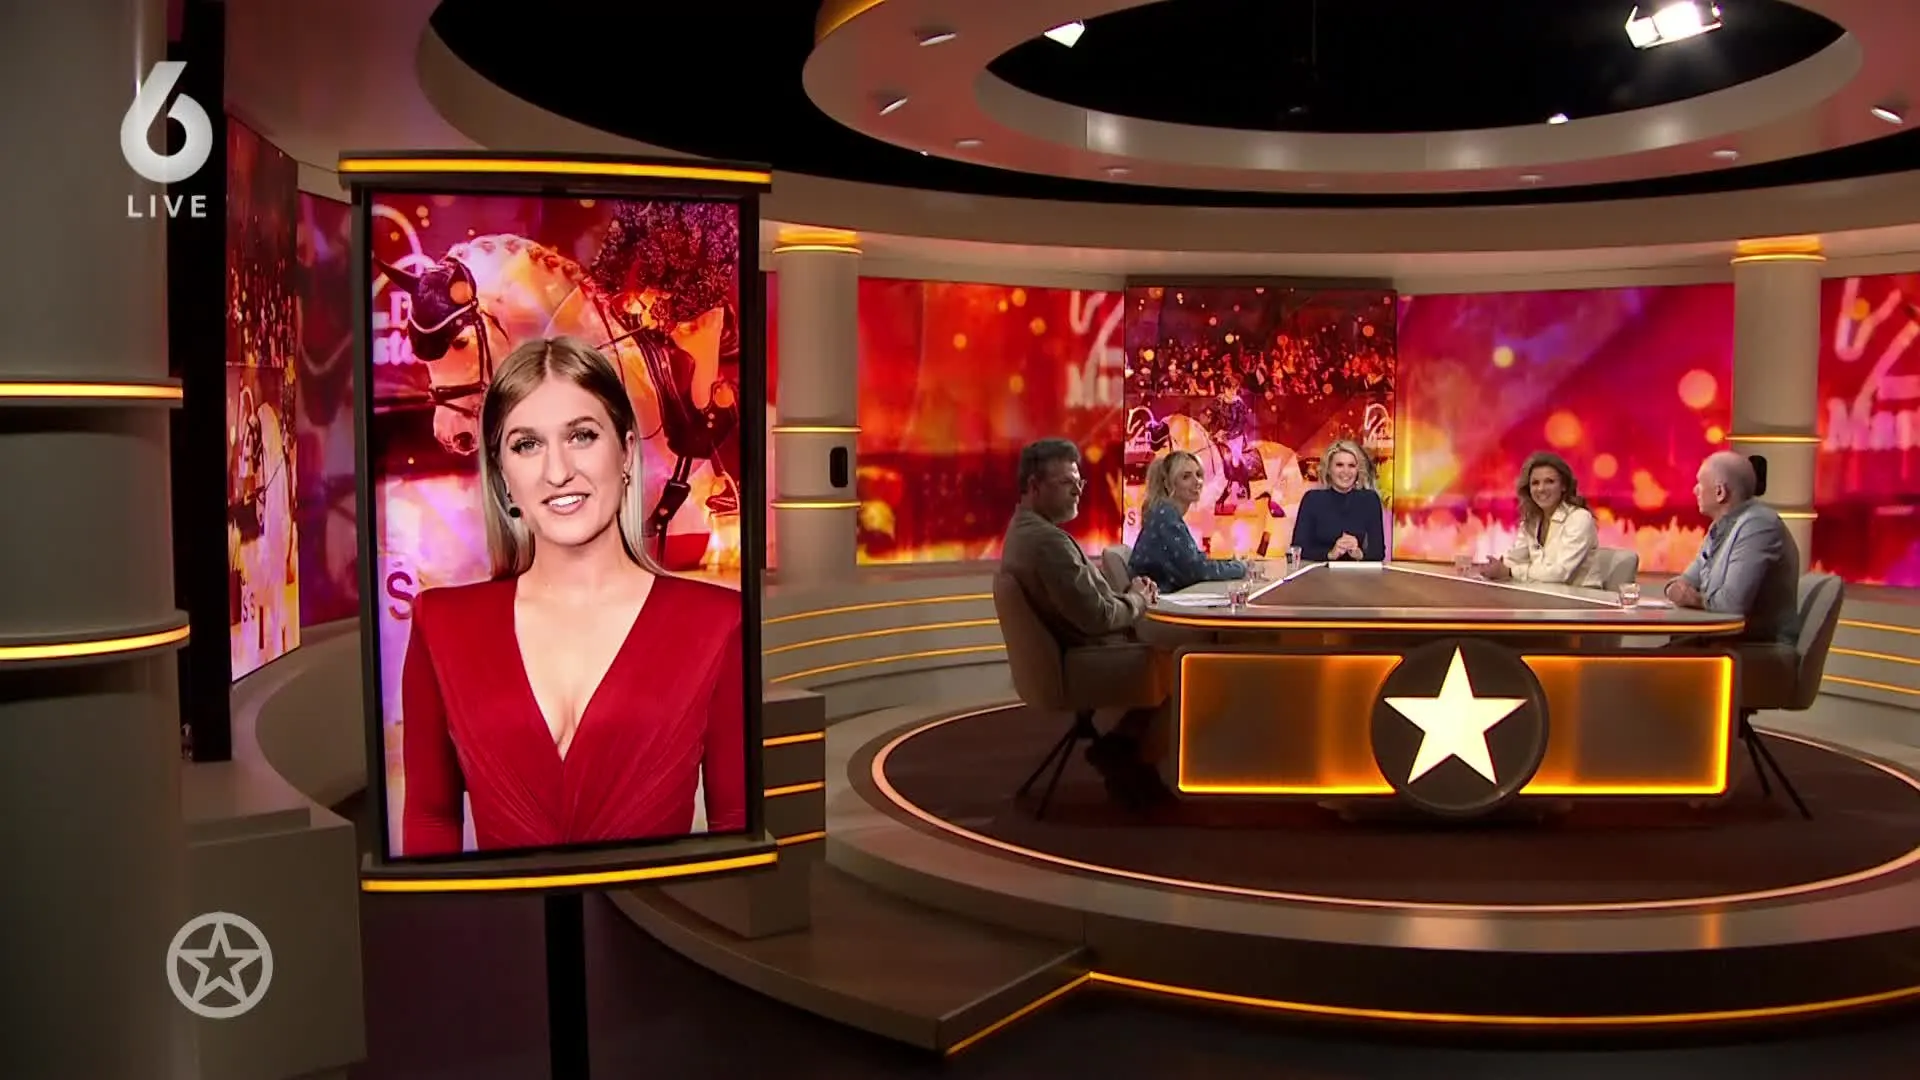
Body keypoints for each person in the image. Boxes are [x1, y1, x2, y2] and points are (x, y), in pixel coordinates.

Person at [399, 336, 746, 858]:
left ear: (626, 452)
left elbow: (736, 833)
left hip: (658, 912)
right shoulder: (440, 625)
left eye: (582, 436)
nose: (558, 471)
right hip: (501, 914)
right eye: (526, 445)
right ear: (502, 476)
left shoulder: (717, 625)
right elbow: (431, 820)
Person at [1000, 438, 1168, 807]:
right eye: (1067, 482)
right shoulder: (1047, 543)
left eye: (1080, 482)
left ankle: (1123, 749)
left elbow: (1091, 607)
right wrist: (1138, 600)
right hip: (1083, 661)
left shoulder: (1027, 531)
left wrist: (1128, 595)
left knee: (1173, 655)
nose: (1078, 490)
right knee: (1183, 663)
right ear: (1033, 486)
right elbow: (1099, 618)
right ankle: (1127, 753)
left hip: (1078, 653)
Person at [1665, 451, 1802, 644]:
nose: (1695, 490)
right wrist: (1676, 590)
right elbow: (1683, 582)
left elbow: (1730, 605)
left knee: (1656, 659)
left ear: (1720, 492)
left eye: (1700, 484)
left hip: (1759, 647)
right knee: (1657, 656)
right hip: (1721, 640)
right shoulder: (1719, 528)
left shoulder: (1758, 525)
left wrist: (1693, 599)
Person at [1129, 450, 1249, 593]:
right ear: (1168, 484)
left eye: (1198, 475)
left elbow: (1195, 563)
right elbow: (1195, 570)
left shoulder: (1166, 513)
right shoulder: (1165, 516)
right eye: (1186, 477)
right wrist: (1239, 568)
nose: (1197, 482)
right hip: (1157, 601)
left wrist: (1230, 564)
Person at [1474, 451, 1600, 586]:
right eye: (1535, 483)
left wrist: (1510, 572)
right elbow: (1515, 559)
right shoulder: (1531, 521)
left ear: (1563, 486)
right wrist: (1494, 569)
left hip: (1581, 596)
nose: (1541, 489)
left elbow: (1560, 573)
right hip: (1542, 593)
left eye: (1549, 482)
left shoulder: (1579, 518)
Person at [1290, 439, 1386, 562]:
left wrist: (1359, 554)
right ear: (1329, 469)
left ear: (1358, 470)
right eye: (1339, 465)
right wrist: (1330, 554)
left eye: (1351, 465)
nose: (1346, 471)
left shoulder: (1370, 500)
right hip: (1319, 572)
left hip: (1357, 572)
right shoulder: (1312, 500)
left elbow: (1378, 552)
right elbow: (1298, 549)